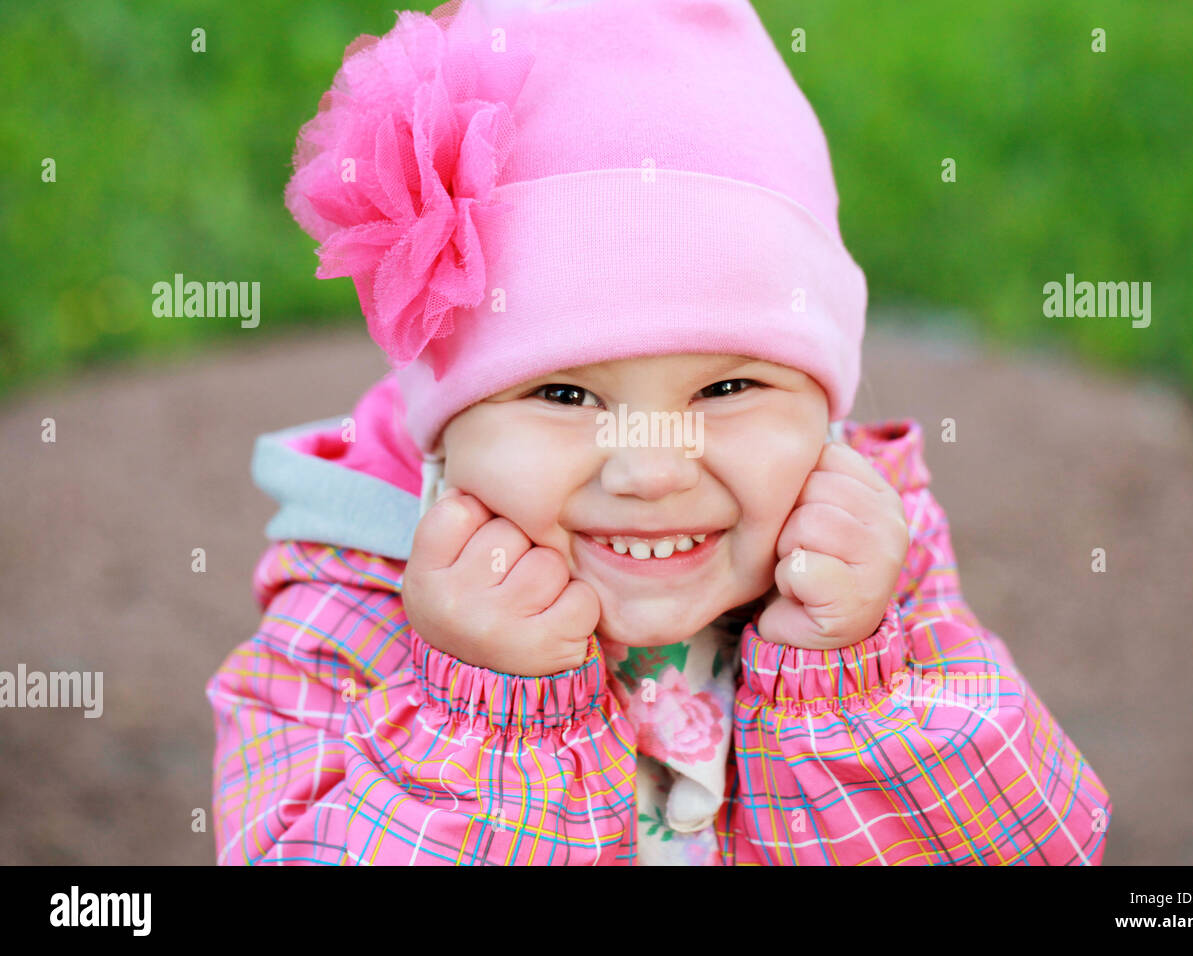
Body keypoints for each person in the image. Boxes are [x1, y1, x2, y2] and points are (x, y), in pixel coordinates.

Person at [206, 0, 1110, 865]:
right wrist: (484, 717)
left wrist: (848, 685)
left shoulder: (867, 559)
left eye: (726, 386)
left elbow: (1036, 846)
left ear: (824, 404)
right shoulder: (356, 600)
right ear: (443, 430)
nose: (649, 469)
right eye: (563, 395)